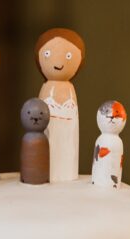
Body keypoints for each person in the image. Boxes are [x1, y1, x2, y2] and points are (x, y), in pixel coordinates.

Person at [36, 28, 85, 183]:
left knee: (68, 150)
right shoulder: (47, 89)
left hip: (68, 135)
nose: (58, 62)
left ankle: (67, 172)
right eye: (48, 54)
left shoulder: (70, 90)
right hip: (50, 136)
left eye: (69, 56)